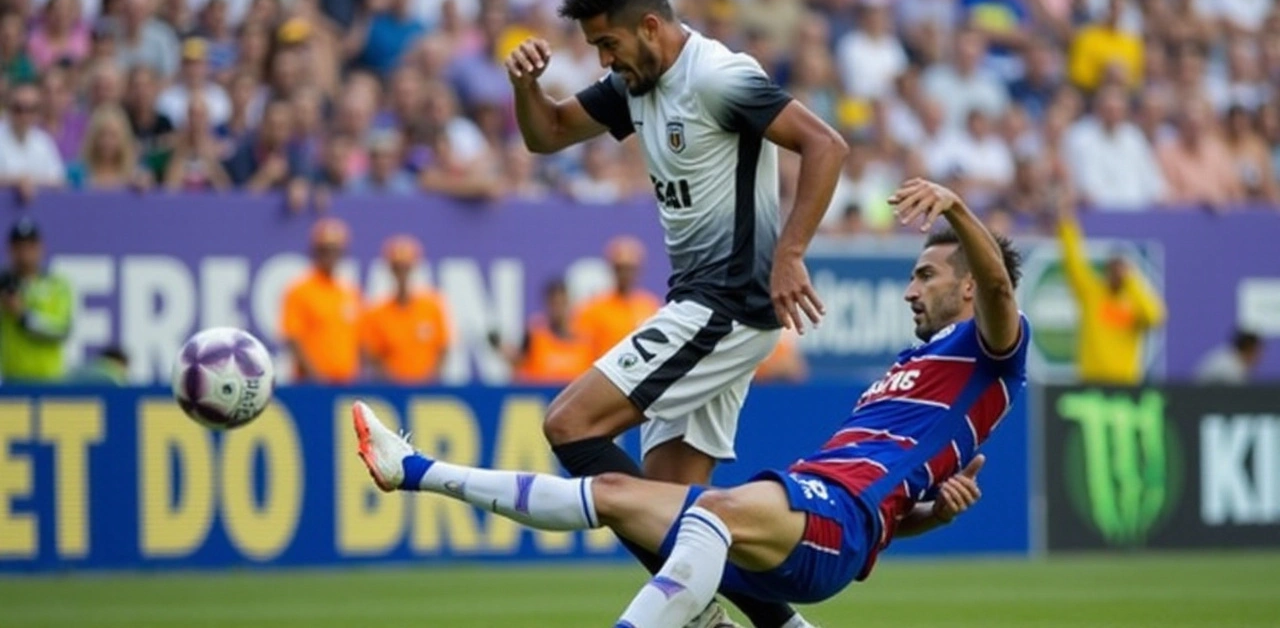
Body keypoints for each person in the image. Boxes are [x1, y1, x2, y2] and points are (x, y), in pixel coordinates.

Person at [352, 178, 1027, 627]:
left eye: (926, 274)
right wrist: (931, 515)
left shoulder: (991, 351)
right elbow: (890, 512)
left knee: (710, 518)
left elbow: (1000, 293)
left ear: (968, 289)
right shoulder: (916, 368)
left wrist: (958, 210)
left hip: (832, 517)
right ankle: (413, 472)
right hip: (824, 518)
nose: (911, 290)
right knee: (615, 491)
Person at [504, 0, 849, 628]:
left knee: (569, 424)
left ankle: (698, 619)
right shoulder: (635, 84)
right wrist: (525, 85)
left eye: (609, 45)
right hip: (701, 305)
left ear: (652, 27)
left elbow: (825, 144)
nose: (605, 62)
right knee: (678, 507)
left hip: (725, 304)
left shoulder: (719, 79)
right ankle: (778, 624)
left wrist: (792, 253)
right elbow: (545, 135)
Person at [1054, 193, 1166, 386]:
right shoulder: (1092, 292)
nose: (1116, 273)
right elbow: (1073, 261)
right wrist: (1067, 223)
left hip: (1124, 385)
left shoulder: (1134, 299)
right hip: (1090, 382)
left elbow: (1155, 317)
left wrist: (1131, 282)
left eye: (1120, 268)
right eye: (1113, 268)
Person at [359, 235, 453, 385]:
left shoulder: (432, 306)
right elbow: (373, 355)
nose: (402, 273)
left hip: (427, 388)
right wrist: (393, 384)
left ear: (414, 267)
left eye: (406, 266)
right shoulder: (377, 313)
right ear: (391, 269)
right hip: (391, 390)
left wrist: (431, 380)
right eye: (398, 267)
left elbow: (443, 348)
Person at [279, 217, 362, 384]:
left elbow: (357, 341)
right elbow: (293, 338)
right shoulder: (300, 290)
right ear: (315, 251)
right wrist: (316, 379)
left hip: (345, 383)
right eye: (324, 250)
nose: (329, 255)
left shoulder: (349, 291)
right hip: (311, 385)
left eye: (334, 250)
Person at [0, 218, 73, 382]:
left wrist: (23, 316)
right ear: (10, 250)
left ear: (40, 248)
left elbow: (60, 330)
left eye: (30, 246)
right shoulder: (4, 285)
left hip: (49, 382)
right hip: (13, 382)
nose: (24, 253)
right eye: (19, 246)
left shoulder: (57, 286)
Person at [573, 235, 661, 362]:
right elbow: (581, 352)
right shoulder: (593, 309)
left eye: (630, 269)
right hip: (605, 375)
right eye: (620, 269)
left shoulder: (649, 306)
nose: (625, 275)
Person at [493, 278, 594, 386]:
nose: (558, 309)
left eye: (562, 303)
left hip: (575, 397)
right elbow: (518, 362)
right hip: (540, 398)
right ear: (547, 303)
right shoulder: (535, 334)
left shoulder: (586, 339)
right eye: (554, 303)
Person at [1194, 329, 1264, 385]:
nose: (1259, 357)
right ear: (1249, 348)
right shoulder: (1228, 364)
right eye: (1257, 351)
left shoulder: (1231, 358)